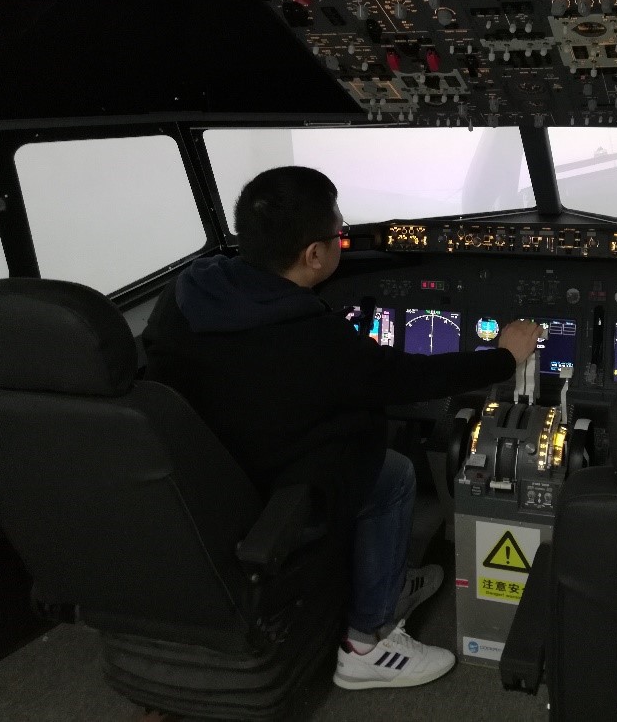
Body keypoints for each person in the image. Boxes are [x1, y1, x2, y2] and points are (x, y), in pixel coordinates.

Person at [143, 166, 540, 690]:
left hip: (196, 482)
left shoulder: (186, 292)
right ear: (314, 254)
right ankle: (366, 642)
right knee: (393, 474)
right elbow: (405, 378)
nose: (342, 240)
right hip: (268, 498)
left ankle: (387, 580)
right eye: (339, 233)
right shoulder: (312, 337)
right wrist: (503, 356)